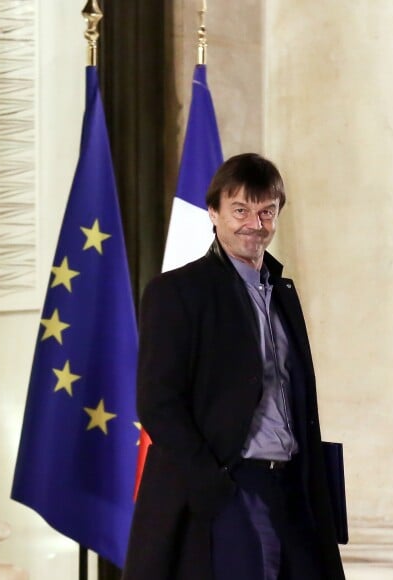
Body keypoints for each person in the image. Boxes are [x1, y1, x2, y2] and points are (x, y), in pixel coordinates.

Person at [123, 153, 345, 580]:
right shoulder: (177, 292)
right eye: (240, 210)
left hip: (294, 490)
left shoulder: (282, 294)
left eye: (266, 211)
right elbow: (158, 403)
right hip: (231, 488)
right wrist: (213, 485)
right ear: (214, 213)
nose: (254, 223)